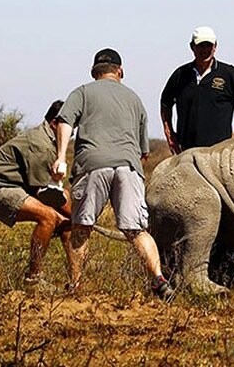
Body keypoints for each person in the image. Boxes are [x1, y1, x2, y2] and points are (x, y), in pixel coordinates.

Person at [51, 48, 174, 300]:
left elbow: (64, 121)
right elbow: (143, 152)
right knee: (137, 230)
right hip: (128, 166)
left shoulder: (82, 92)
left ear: (94, 72)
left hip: (93, 164)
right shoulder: (134, 99)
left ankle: (75, 286)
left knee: (82, 226)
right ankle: (159, 280)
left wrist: (61, 156)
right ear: (120, 71)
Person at [160, 26, 234, 288]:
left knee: (231, 210)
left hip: (220, 157)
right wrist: (169, 133)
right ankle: (188, 265)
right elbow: (165, 102)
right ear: (192, 47)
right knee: (192, 210)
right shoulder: (181, 75)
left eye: (209, 45)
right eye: (200, 45)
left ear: (215, 46)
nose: (205, 50)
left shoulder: (227, 74)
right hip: (189, 159)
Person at [0, 100, 73, 287]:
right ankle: (33, 279)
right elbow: (47, 194)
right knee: (48, 217)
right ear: (54, 123)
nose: (71, 134)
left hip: (12, 187)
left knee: (66, 223)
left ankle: (76, 281)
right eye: (68, 128)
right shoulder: (41, 145)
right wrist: (82, 218)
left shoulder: (50, 142)